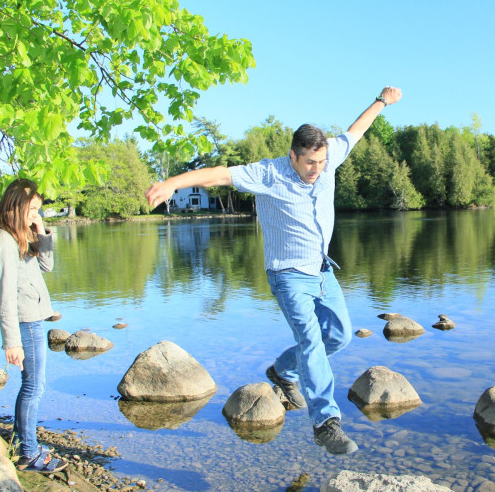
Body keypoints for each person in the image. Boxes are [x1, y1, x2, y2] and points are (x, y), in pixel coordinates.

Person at [146, 86, 403, 454]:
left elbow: (356, 131)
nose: (317, 170)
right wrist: (172, 182)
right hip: (287, 276)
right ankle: (325, 422)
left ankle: (283, 371)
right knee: (312, 340)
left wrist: (381, 102)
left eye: (321, 161)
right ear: (293, 156)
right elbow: (219, 175)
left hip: (322, 272)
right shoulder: (268, 174)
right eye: (309, 163)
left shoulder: (329, 158)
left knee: (340, 336)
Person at [0, 178, 66, 472]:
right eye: (33, 209)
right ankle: (29, 454)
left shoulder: (18, 235)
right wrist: (11, 342)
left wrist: (41, 231)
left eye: (38, 210)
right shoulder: (3, 240)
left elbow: (47, 266)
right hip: (25, 322)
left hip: (33, 318)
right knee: (34, 386)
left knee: (33, 385)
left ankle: (26, 447)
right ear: (17, 205)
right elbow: (4, 294)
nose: (36, 214)